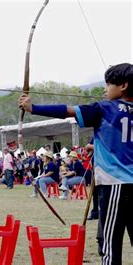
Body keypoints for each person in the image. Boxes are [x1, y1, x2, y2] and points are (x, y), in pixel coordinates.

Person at [19, 63, 133, 264]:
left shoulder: (104, 108)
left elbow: (67, 111)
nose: (105, 90)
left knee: (110, 246)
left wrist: (33, 108)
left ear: (123, 85)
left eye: (108, 85)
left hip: (116, 185)